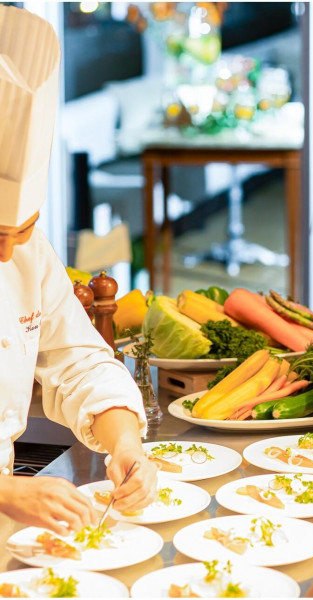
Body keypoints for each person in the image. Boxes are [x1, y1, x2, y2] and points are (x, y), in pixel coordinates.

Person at [0, 5, 157, 538]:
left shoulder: (30, 254)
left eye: (22, 231)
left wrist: (126, 444)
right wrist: (7, 492)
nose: (9, 255)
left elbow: (79, 362)